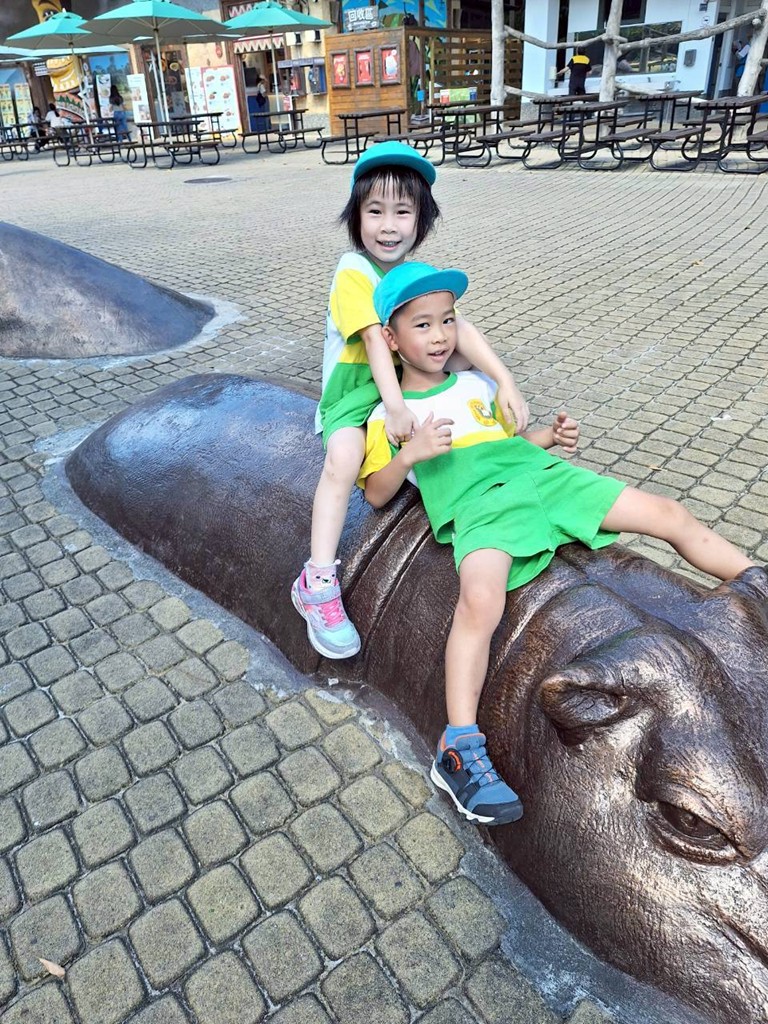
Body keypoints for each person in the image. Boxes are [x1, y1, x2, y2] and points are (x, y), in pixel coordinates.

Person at [359, 261, 755, 827]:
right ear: (391, 339)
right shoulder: (392, 417)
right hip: (480, 505)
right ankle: (458, 745)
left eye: (447, 320)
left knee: (667, 513)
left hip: (542, 478)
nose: (441, 335)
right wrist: (410, 456)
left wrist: (549, 437)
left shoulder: (476, 386)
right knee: (479, 601)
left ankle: (754, 582)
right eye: (422, 325)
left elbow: (507, 444)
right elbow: (376, 492)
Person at [290, 142, 529, 661]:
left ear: (421, 219)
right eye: (375, 211)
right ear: (356, 216)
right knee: (343, 459)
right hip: (355, 396)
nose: (388, 226)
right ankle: (317, 580)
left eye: (402, 212)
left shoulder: (412, 275)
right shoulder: (353, 270)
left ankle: (492, 454)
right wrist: (397, 408)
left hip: (403, 380)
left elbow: (459, 326)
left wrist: (504, 380)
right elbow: (375, 340)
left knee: (457, 353)